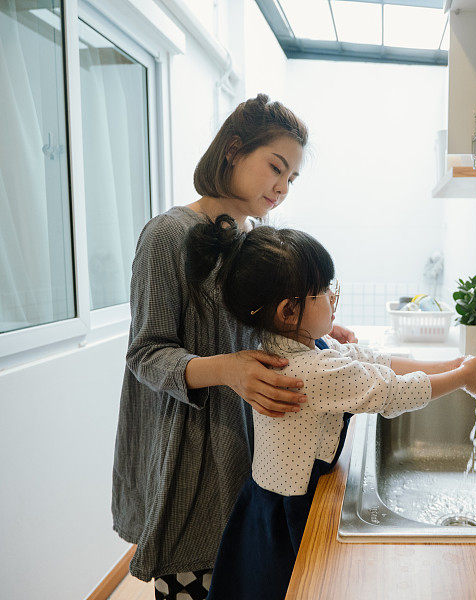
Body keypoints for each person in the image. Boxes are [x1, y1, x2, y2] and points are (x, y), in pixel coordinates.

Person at [181, 215, 476, 600]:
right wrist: (461, 380)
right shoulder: (311, 369)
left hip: (265, 499)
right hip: (289, 509)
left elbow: (372, 363)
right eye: (322, 290)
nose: (333, 297)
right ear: (288, 310)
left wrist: (453, 367)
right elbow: (392, 393)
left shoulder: (297, 345)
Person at [112, 94, 357, 600]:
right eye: (276, 167)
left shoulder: (255, 239)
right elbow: (146, 354)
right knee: (201, 577)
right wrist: (228, 370)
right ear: (232, 150)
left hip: (252, 442)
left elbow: (267, 328)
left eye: (291, 179)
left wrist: (322, 334)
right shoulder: (168, 236)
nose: (282, 188)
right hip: (193, 454)